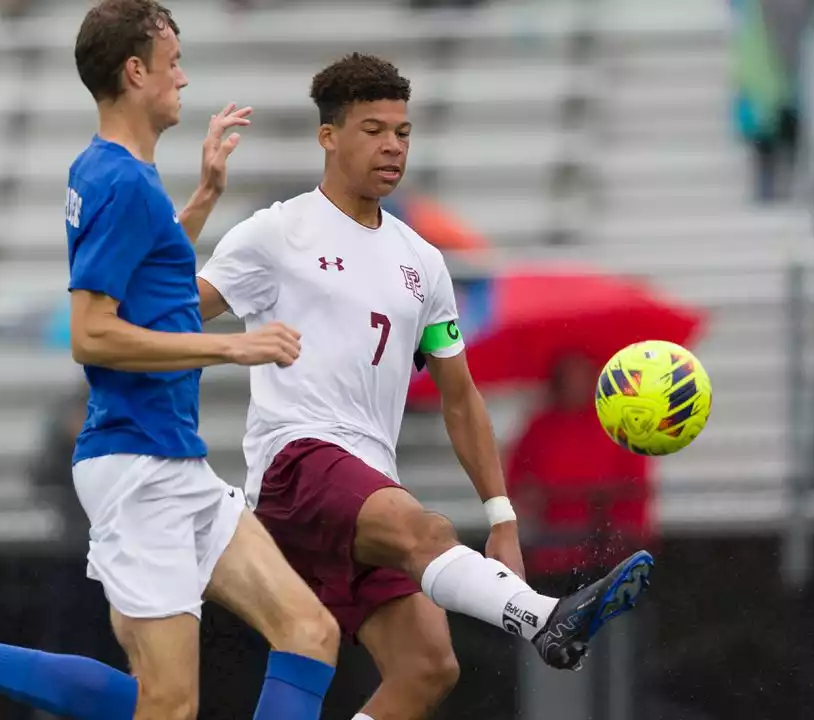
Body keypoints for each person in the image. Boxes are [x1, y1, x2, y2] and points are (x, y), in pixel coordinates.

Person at [0, 3, 340, 720]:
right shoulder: (119, 182)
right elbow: (92, 333)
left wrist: (204, 198)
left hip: (172, 458)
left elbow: (151, 278)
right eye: (172, 60)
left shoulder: (119, 174)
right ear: (135, 70)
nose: (183, 75)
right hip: (138, 467)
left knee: (309, 632)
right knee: (169, 706)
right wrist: (231, 345)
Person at [195, 53, 654, 719]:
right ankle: (547, 622)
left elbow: (461, 395)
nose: (392, 147)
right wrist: (206, 219)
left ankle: (538, 618)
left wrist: (501, 516)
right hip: (299, 464)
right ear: (329, 137)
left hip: (363, 482)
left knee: (428, 668)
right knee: (428, 531)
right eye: (373, 129)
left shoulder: (423, 262)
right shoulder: (278, 232)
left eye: (403, 133)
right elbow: (171, 315)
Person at [506, 353, 653, 595]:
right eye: (568, 375)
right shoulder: (539, 427)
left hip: (610, 553)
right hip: (552, 552)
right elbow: (515, 482)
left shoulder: (616, 425)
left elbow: (638, 485)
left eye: (582, 374)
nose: (575, 383)